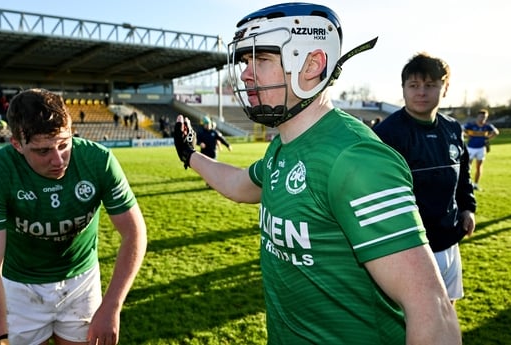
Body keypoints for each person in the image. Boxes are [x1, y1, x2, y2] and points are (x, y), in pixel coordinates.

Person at [172, 3, 460, 344]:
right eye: (245, 62)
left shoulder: (355, 158)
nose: (247, 73)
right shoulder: (283, 146)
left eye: (261, 60)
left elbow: (432, 308)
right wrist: (191, 155)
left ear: (312, 64)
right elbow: (239, 185)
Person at [0, 88, 147, 345]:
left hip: (82, 282)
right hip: (20, 287)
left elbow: (135, 232)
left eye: (64, 144)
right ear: (17, 144)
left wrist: (112, 305)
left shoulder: (99, 160)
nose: (58, 160)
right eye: (43, 151)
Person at [373, 52, 476, 306]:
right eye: (414, 85)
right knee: (416, 315)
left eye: (430, 85)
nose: (421, 92)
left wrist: (467, 207)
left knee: (448, 307)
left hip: (448, 236)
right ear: (403, 89)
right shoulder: (386, 133)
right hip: (407, 244)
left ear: (445, 88)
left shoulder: (452, 128)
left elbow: (462, 173)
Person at [463, 108, 499, 190]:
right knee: (467, 167)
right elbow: (461, 129)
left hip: (481, 149)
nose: (483, 119)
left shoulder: (487, 126)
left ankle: (475, 184)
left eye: (485, 117)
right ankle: (465, 184)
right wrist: (466, 135)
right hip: (471, 148)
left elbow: (496, 132)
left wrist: (488, 138)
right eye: (481, 117)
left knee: (479, 167)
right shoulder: (471, 125)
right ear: (478, 117)